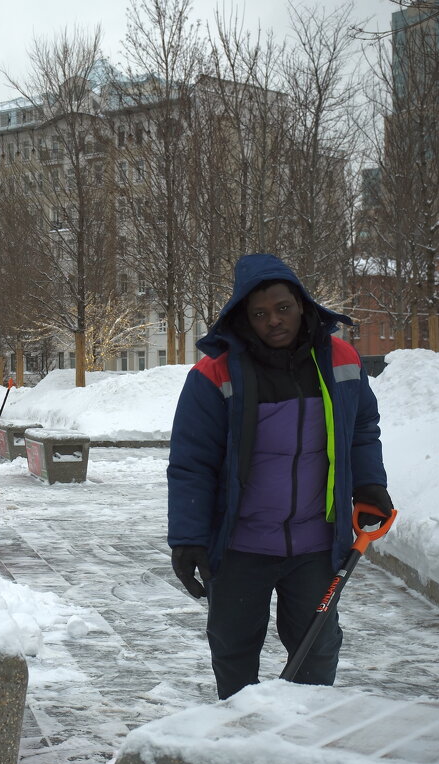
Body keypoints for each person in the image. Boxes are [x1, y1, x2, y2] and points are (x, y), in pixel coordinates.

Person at [167, 253, 391, 700]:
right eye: (260, 313)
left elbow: (362, 427)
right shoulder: (216, 372)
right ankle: (241, 733)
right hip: (240, 546)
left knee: (317, 651)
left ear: (302, 305)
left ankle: (306, 732)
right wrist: (188, 537)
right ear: (243, 317)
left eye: (283, 307)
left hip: (315, 543)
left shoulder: (341, 360)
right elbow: (192, 461)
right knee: (233, 651)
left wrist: (370, 484)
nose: (274, 320)